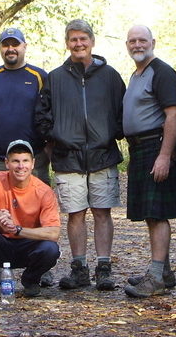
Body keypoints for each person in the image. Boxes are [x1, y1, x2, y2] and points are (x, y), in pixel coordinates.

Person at [35, 19, 125, 291]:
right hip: (68, 158)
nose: (78, 44)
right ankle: (79, 268)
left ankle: (104, 268)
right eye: (73, 39)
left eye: (83, 39)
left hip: (102, 156)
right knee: (75, 214)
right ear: (67, 44)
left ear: (92, 42)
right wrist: (57, 137)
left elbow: (123, 111)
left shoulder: (110, 76)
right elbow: (41, 116)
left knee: (102, 212)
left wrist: (112, 134)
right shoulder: (56, 77)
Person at [121, 25, 176, 298]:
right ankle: (163, 271)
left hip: (156, 147)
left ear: (153, 42)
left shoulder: (162, 72)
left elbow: (173, 115)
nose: (137, 45)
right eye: (132, 41)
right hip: (140, 149)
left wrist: (164, 154)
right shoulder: (137, 74)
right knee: (151, 213)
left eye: (142, 40)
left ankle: (157, 278)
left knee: (157, 212)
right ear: (127, 45)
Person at [0, 140, 61, 302]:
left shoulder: (44, 191)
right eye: (15, 161)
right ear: (7, 163)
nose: (21, 166)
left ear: (33, 163)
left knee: (51, 248)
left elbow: (54, 232)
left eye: (25, 161)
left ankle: (31, 280)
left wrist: (18, 230)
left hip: (28, 245)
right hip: (1, 244)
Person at [0, 27, 50, 185]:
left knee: (33, 208)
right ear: (0, 48)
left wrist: (47, 152)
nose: (10, 49)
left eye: (15, 44)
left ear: (24, 46)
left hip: (32, 161)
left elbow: (53, 114)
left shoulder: (40, 77)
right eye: (5, 45)